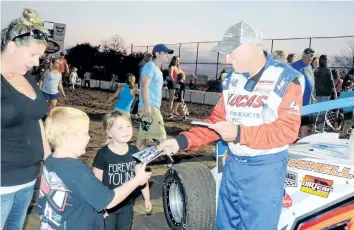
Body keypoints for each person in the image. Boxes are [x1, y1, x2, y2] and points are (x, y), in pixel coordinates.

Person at [158, 21, 304, 230]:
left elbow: (287, 131)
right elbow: (215, 122)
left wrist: (239, 134)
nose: (226, 58)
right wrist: (180, 141)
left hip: (265, 169)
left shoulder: (286, 78)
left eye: (231, 51)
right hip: (233, 165)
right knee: (225, 225)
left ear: (251, 47)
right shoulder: (232, 79)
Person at [38, 107, 151, 229]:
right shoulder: (78, 172)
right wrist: (136, 180)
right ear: (69, 138)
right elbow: (109, 201)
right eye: (85, 133)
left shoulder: (50, 161)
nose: (89, 138)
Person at [0, 8, 51, 230]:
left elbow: (36, 119)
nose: (36, 62)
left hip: (28, 180)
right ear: (11, 46)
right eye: (32, 55)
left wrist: (50, 159)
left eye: (39, 56)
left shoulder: (27, 77)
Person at [92, 111, 152, 230]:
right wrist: (100, 206)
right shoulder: (103, 154)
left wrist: (147, 198)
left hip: (127, 204)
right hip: (108, 205)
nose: (126, 130)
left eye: (128, 126)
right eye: (120, 128)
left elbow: (141, 178)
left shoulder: (135, 151)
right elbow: (96, 183)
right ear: (109, 133)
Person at [136, 44, 174, 149]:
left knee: (142, 137)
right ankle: (168, 163)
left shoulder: (158, 71)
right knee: (161, 137)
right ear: (157, 54)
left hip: (152, 107)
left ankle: (134, 160)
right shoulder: (150, 66)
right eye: (165, 53)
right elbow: (144, 85)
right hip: (150, 107)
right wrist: (147, 106)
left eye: (168, 54)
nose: (167, 56)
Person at [292, 48, 316, 138]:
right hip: (298, 101)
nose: (311, 59)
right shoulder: (295, 66)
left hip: (308, 101)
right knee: (295, 122)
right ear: (303, 56)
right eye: (309, 56)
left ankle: (303, 138)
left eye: (312, 57)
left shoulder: (309, 67)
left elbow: (310, 83)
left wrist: (312, 96)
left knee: (305, 121)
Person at [313, 54, 337, 132]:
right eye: (327, 60)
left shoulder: (316, 70)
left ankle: (313, 126)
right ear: (324, 60)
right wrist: (335, 93)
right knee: (323, 112)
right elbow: (331, 83)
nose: (328, 61)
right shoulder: (327, 70)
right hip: (325, 94)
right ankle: (321, 128)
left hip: (317, 93)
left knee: (315, 111)